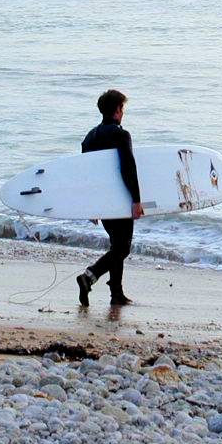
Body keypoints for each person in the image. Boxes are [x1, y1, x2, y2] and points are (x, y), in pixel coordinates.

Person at [76, 89, 143, 306]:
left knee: (116, 246)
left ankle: (116, 294)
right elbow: (128, 168)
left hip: (103, 201)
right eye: (122, 108)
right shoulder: (121, 135)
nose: (123, 113)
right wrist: (136, 199)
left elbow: (87, 174)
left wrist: (91, 205)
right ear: (117, 110)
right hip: (119, 200)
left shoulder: (89, 137)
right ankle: (89, 276)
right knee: (122, 249)